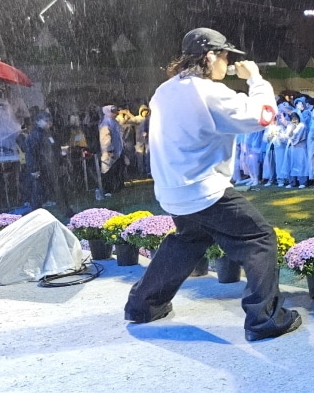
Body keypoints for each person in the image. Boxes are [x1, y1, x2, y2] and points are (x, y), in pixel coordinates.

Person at [125, 27, 301, 341]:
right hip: (204, 188)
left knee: (188, 240)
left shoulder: (163, 90)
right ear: (210, 56)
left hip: (171, 188)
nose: (228, 62)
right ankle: (264, 318)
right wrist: (255, 79)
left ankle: (143, 304)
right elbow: (262, 117)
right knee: (260, 239)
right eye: (225, 56)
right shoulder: (211, 92)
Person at [99, 104, 124, 196]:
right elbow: (105, 139)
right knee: (108, 171)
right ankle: (107, 190)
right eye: (113, 111)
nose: (116, 113)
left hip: (117, 150)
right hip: (109, 152)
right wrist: (109, 150)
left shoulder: (114, 121)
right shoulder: (106, 123)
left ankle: (116, 187)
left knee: (116, 170)